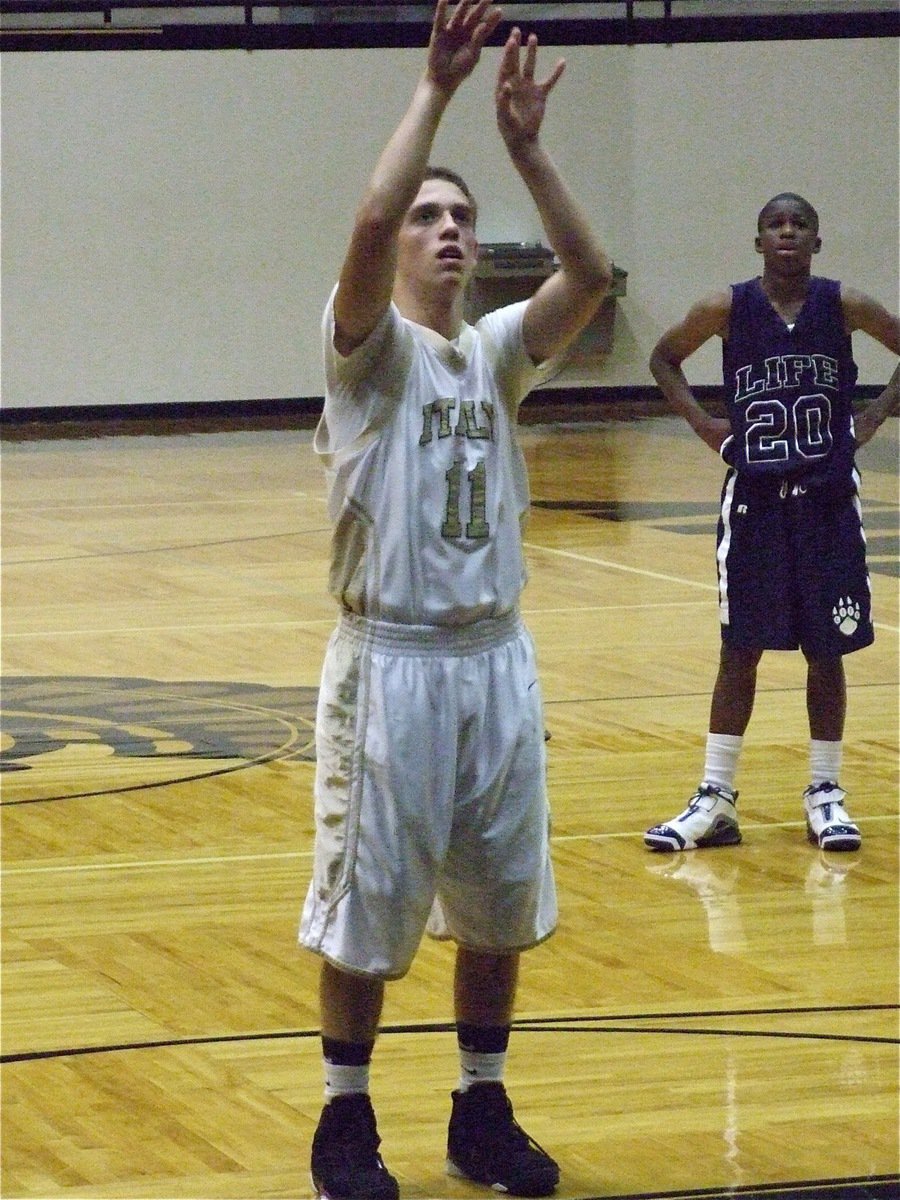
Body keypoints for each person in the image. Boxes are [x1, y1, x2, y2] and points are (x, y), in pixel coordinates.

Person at [298, 2, 612, 1197]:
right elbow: (368, 220)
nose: (443, 230)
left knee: (497, 901)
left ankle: (481, 1109)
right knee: (368, 909)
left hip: (495, 659)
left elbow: (589, 274)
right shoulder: (369, 355)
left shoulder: (491, 353)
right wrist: (433, 90)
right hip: (391, 665)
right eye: (432, 214)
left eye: (461, 218)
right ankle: (343, 1123)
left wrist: (529, 152)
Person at [644, 192, 899, 855]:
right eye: (774, 225)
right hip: (755, 499)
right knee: (740, 649)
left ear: (817, 242)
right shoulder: (725, 309)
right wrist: (706, 427)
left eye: (799, 225)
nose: (787, 233)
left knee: (827, 649)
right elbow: (663, 359)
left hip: (826, 500)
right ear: (758, 243)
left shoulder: (845, 305)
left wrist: (871, 418)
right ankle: (716, 797)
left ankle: (824, 791)